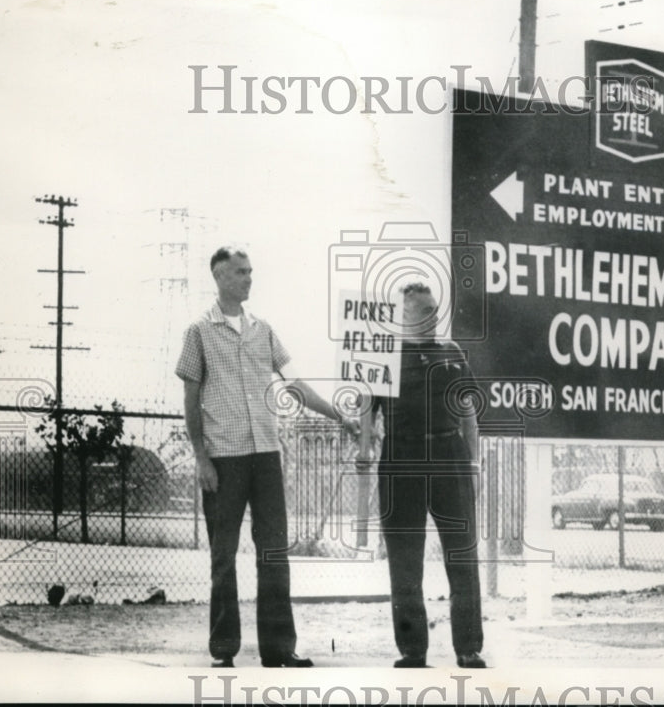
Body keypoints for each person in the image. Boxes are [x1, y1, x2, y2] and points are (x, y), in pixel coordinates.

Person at [176, 245, 359, 668]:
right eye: (240, 272)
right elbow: (189, 399)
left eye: (251, 271)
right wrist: (201, 458)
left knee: (273, 551)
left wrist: (338, 415)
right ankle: (224, 650)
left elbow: (294, 384)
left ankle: (279, 649)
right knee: (223, 555)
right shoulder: (198, 333)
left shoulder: (264, 330)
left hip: (266, 455)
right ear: (220, 276)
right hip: (224, 458)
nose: (248, 278)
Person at [360, 282, 487, 668]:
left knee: (462, 555)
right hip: (401, 458)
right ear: (403, 316)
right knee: (404, 560)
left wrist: (475, 464)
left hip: (450, 456)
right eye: (423, 311)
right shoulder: (382, 357)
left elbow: (468, 413)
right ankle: (413, 651)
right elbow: (367, 409)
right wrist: (364, 448)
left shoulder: (452, 353)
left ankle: (468, 648)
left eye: (434, 309)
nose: (432, 317)